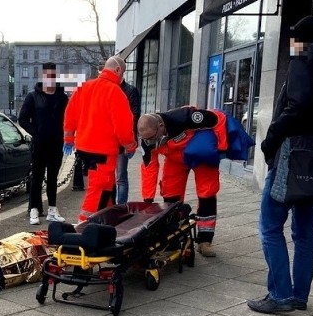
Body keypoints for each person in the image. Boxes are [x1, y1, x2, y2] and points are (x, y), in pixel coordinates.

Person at [247, 15, 313, 314]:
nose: (291, 43)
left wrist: (270, 140)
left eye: (295, 37)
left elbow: (297, 105)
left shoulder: (303, 62)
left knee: (269, 226)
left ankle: (280, 295)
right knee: (305, 231)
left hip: (291, 151)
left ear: (302, 39)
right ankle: (299, 295)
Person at [137, 106, 223, 256]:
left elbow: (217, 121)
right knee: (170, 195)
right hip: (175, 159)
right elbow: (149, 168)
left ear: (161, 126)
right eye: (146, 139)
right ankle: (175, 235)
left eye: (152, 138)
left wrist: (214, 147)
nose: (150, 142)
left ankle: (205, 241)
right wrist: (147, 200)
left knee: (207, 193)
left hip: (200, 155)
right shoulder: (147, 140)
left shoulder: (186, 117)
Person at [63, 56, 136, 222]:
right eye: (122, 73)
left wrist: (68, 139)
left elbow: (70, 115)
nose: (122, 77)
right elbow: (123, 126)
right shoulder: (115, 92)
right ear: (117, 70)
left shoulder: (84, 87)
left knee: (107, 188)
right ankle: (84, 227)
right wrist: (130, 146)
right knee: (99, 190)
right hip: (103, 151)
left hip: (84, 148)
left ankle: (108, 222)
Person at [18, 62, 69, 225]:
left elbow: (68, 119)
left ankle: (52, 209)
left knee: (53, 178)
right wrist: (36, 132)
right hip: (39, 144)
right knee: (37, 178)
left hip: (56, 143)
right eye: (47, 76)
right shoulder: (33, 96)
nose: (50, 79)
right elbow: (23, 119)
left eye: (53, 76)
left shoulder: (62, 97)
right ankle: (34, 210)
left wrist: (66, 136)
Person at [115, 74, 141, 204]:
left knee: (121, 177)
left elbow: (135, 116)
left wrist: (131, 142)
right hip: (109, 141)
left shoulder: (130, 91)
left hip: (122, 142)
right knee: (110, 178)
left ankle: (121, 206)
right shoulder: (112, 89)